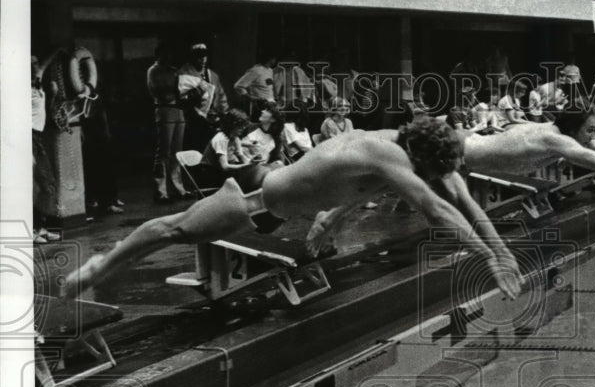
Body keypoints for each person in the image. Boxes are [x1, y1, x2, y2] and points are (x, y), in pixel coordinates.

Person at [64, 117, 523, 299]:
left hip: (284, 207)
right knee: (173, 231)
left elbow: (462, 200)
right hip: (254, 196)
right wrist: (490, 258)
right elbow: (440, 211)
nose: (441, 181)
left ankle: (105, 264)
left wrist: (501, 253)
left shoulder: (399, 150)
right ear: (424, 160)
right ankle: (102, 264)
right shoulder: (391, 157)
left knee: (177, 230)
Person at [454, 108, 595, 204]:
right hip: (456, 147)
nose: (594, 136)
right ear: (574, 128)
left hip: (466, 152)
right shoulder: (556, 139)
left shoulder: (565, 132)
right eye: (590, 130)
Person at [147, 41, 191, 203]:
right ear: (158, 55)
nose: (168, 57)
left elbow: (184, 90)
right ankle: (161, 191)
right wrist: (176, 92)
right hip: (164, 110)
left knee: (177, 152)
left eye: (169, 55)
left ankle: (179, 189)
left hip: (178, 111)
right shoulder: (153, 71)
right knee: (164, 152)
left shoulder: (175, 71)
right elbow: (158, 91)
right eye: (164, 55)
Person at [178, 42, 229, 152]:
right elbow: (181, 99)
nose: (203, 60)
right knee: (194, 149)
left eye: (204, 56)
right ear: (192, 58)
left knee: (209, 149)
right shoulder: (184, 74)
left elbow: (221, 96)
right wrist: (197, 92)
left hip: (212, 121)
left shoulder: (213, 75)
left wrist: (224, 114)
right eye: (199, 57)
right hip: (192, 120)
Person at [31, 54, 60, 244]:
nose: (35, 66)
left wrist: (59, 50)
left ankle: (41, 227)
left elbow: (45, 62)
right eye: (31, 64)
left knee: (48, 185)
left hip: (38, 137)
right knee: (42, 185)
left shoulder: (38, 82)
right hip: (29, 137)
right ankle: (34, 229)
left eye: (35, 63)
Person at [233, 54, 278, 118]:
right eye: (274, 59)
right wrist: (251, 98)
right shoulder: (255, 70)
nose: (275, 61)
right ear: (270, 59)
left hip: (271, 105)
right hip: (259, 106)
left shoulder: (270, 70)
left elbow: (268, 86)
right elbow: (238, 86)